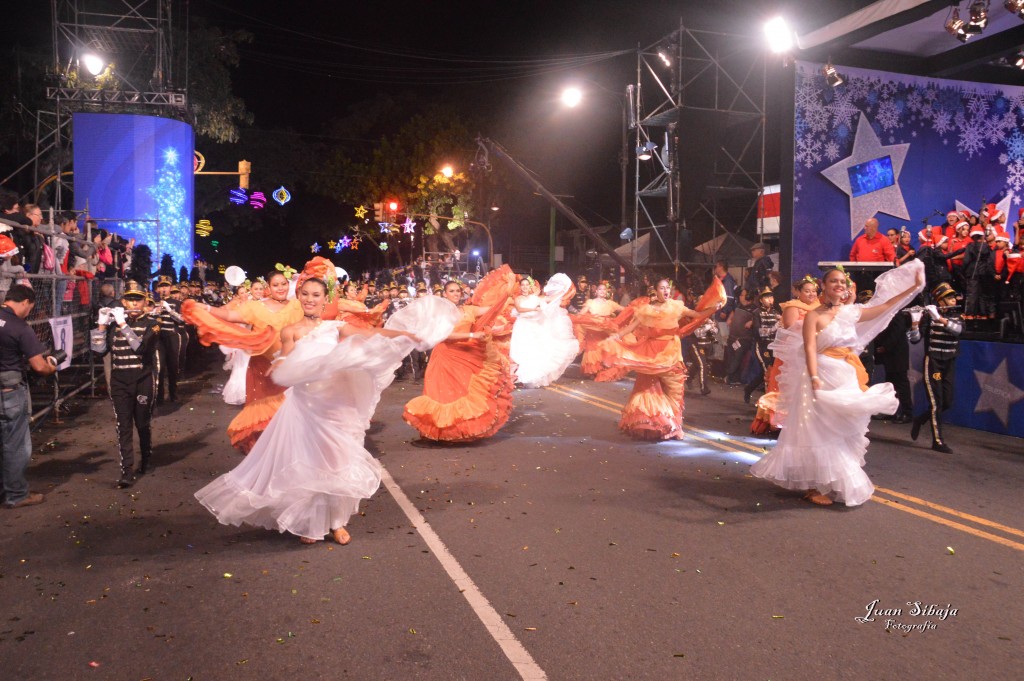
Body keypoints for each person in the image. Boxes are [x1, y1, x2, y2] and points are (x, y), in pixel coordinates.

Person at [195, 277, 457, 544]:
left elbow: (372, 335)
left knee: (338, 461)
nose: (310, 299)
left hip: (337, 406)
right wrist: (281, 364)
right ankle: (310, 522)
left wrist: (404, 335)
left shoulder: (337, 328)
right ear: (300, 296)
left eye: (316, 295)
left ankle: (336, 522)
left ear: (324, 299)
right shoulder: (290, 331)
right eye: (306, 294)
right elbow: (286, 354)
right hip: (307, 405)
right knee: (310, 463)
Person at [750, 261, 924, 506]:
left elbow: (886, 306)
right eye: (834, 281)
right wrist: (813, 377)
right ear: (824, 285)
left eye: (842, 282)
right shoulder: (813, 315)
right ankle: (812, 485)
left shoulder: (851, 312)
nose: (839, 285)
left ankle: (833, 480)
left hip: (845, 374)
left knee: (843, 428)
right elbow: (809, 347)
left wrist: (913, 288)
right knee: (817, 429)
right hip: (820, 373)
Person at [182, 270, 303, 452]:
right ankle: (266, 452)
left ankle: (286, 450)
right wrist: (206, 308)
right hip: (261, 367)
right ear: (268, 288)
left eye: (283, 284)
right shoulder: (255, 307)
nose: (280, 288)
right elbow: (230, 316)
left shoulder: (297, 306)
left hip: (288, 368)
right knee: (264, 412)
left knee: (288, 411)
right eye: (276, 284)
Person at [404, 268, 517, 442]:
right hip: (445, 356)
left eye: (458, 291)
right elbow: (445, 335)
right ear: (445, 294)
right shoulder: (441, 312)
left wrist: (507, 292)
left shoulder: (469, 309)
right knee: (443, 395)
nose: (456, 294)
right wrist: (472, 335)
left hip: (466, 355)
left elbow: (493, 308)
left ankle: (459, 431)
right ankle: (441, 432)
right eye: (452, 291)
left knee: (464, 392)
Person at [601, 278, 722, 440]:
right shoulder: (647, 310)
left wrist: (714, 309)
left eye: (668, 288)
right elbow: (631, 327)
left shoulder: (676, 307)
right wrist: (615, 336)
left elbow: (697, 315)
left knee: (674, 389)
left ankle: (672, 424)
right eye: (662, 288)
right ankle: (651, 422)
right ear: (656, 291)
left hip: (671, 352)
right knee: (648, 388)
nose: (666, 291)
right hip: (651, 352)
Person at [90, 280, 160, 487]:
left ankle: (146, 456)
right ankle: (126, 471)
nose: (134, 304)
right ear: (123, 302)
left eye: (138, 299)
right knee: (123, 426)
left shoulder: (152, 324)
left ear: (145, 301)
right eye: (129, 300)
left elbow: (141, 349)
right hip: (120, 380)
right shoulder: (114, 326)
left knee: (142, 423)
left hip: (142, 380)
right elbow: (99, 351)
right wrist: (101, 326)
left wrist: (122, 324)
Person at [0, 285, 59, 507]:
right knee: (15, 445)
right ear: (25, 302)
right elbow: (39, 367)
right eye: (30, 308)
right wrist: (52, 367)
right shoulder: (19, 326)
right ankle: (16, 494)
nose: (29, 313)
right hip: (9, 393)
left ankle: (3, 491)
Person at [751, 275, 820, 436]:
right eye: (807, 291)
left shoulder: (820, 307)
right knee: (787, 388)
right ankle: (781, 422)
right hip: (793, 353)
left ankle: (805, 422)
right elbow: (791, 328)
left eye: (814, 291)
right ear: (799, 293)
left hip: (811, 352)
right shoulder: (793, 307)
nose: (811, 294)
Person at [908, 283, 962, 453]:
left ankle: (920, 419)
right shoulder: (930, 318)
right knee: (936, 402)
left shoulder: (958, 316)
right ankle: (937, 441)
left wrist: (938, 317)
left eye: (953, 297)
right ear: (941, 301)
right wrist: (915, 322)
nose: (954, 300)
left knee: (947, 401)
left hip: (949, 362)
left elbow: (958, 331)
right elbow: (915, 339)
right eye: (949, 297)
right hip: (934, 364)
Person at [509, 274, 579, 388]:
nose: (525, 287)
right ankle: (519, 376)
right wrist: (534, 308)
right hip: (522, 326)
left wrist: (563, 290)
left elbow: (551, 298)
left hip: (534, 326)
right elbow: (520, 309)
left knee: (534, 350)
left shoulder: (536, 298)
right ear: (520, 287)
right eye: (523, 285)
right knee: (520, 350)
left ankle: (527, 376)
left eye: (527, 285)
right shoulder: (518, 299)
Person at [571, 280, 625, 380]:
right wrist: (577, 318)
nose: (602, 291)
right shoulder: (590, 302)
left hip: (605, 330)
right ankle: (593, 370)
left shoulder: (610, 303)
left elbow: (624, 310)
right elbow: (582, 312)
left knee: (605, 347)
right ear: (596, 291)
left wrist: (635, 309)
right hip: (593, 330)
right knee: (592, 347)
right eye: (600, 289)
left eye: (604, 289)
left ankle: (603, 368)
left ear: (607, 292)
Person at [744, 287, 780, 404]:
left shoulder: (776, 312)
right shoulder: (756, 313)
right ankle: (767, 402)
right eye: (767, 297)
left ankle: (749, 388)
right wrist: (774, 328)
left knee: (768, 372)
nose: (770, 299)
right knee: (768, 370)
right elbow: (758, 332)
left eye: (771, 297)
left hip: (773, 346)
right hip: (761, 345)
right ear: (761, 300)